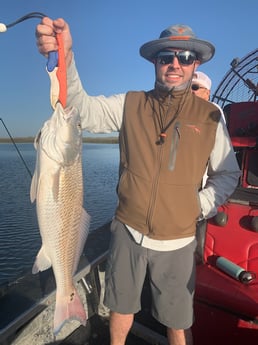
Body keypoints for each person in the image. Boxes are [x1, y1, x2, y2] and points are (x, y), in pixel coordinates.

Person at [36, 18, 241, 345]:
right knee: (120, 309)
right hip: (128, 234)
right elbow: (82, 109)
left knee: (177, 322)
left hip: (178, 242)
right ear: (155, 62)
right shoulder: (131, 104)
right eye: (166, 57)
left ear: (195, 63)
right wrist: (66, 58)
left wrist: (198, 206)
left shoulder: (211, 117)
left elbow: (229, 173)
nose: (175, 64)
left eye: (185, 57)